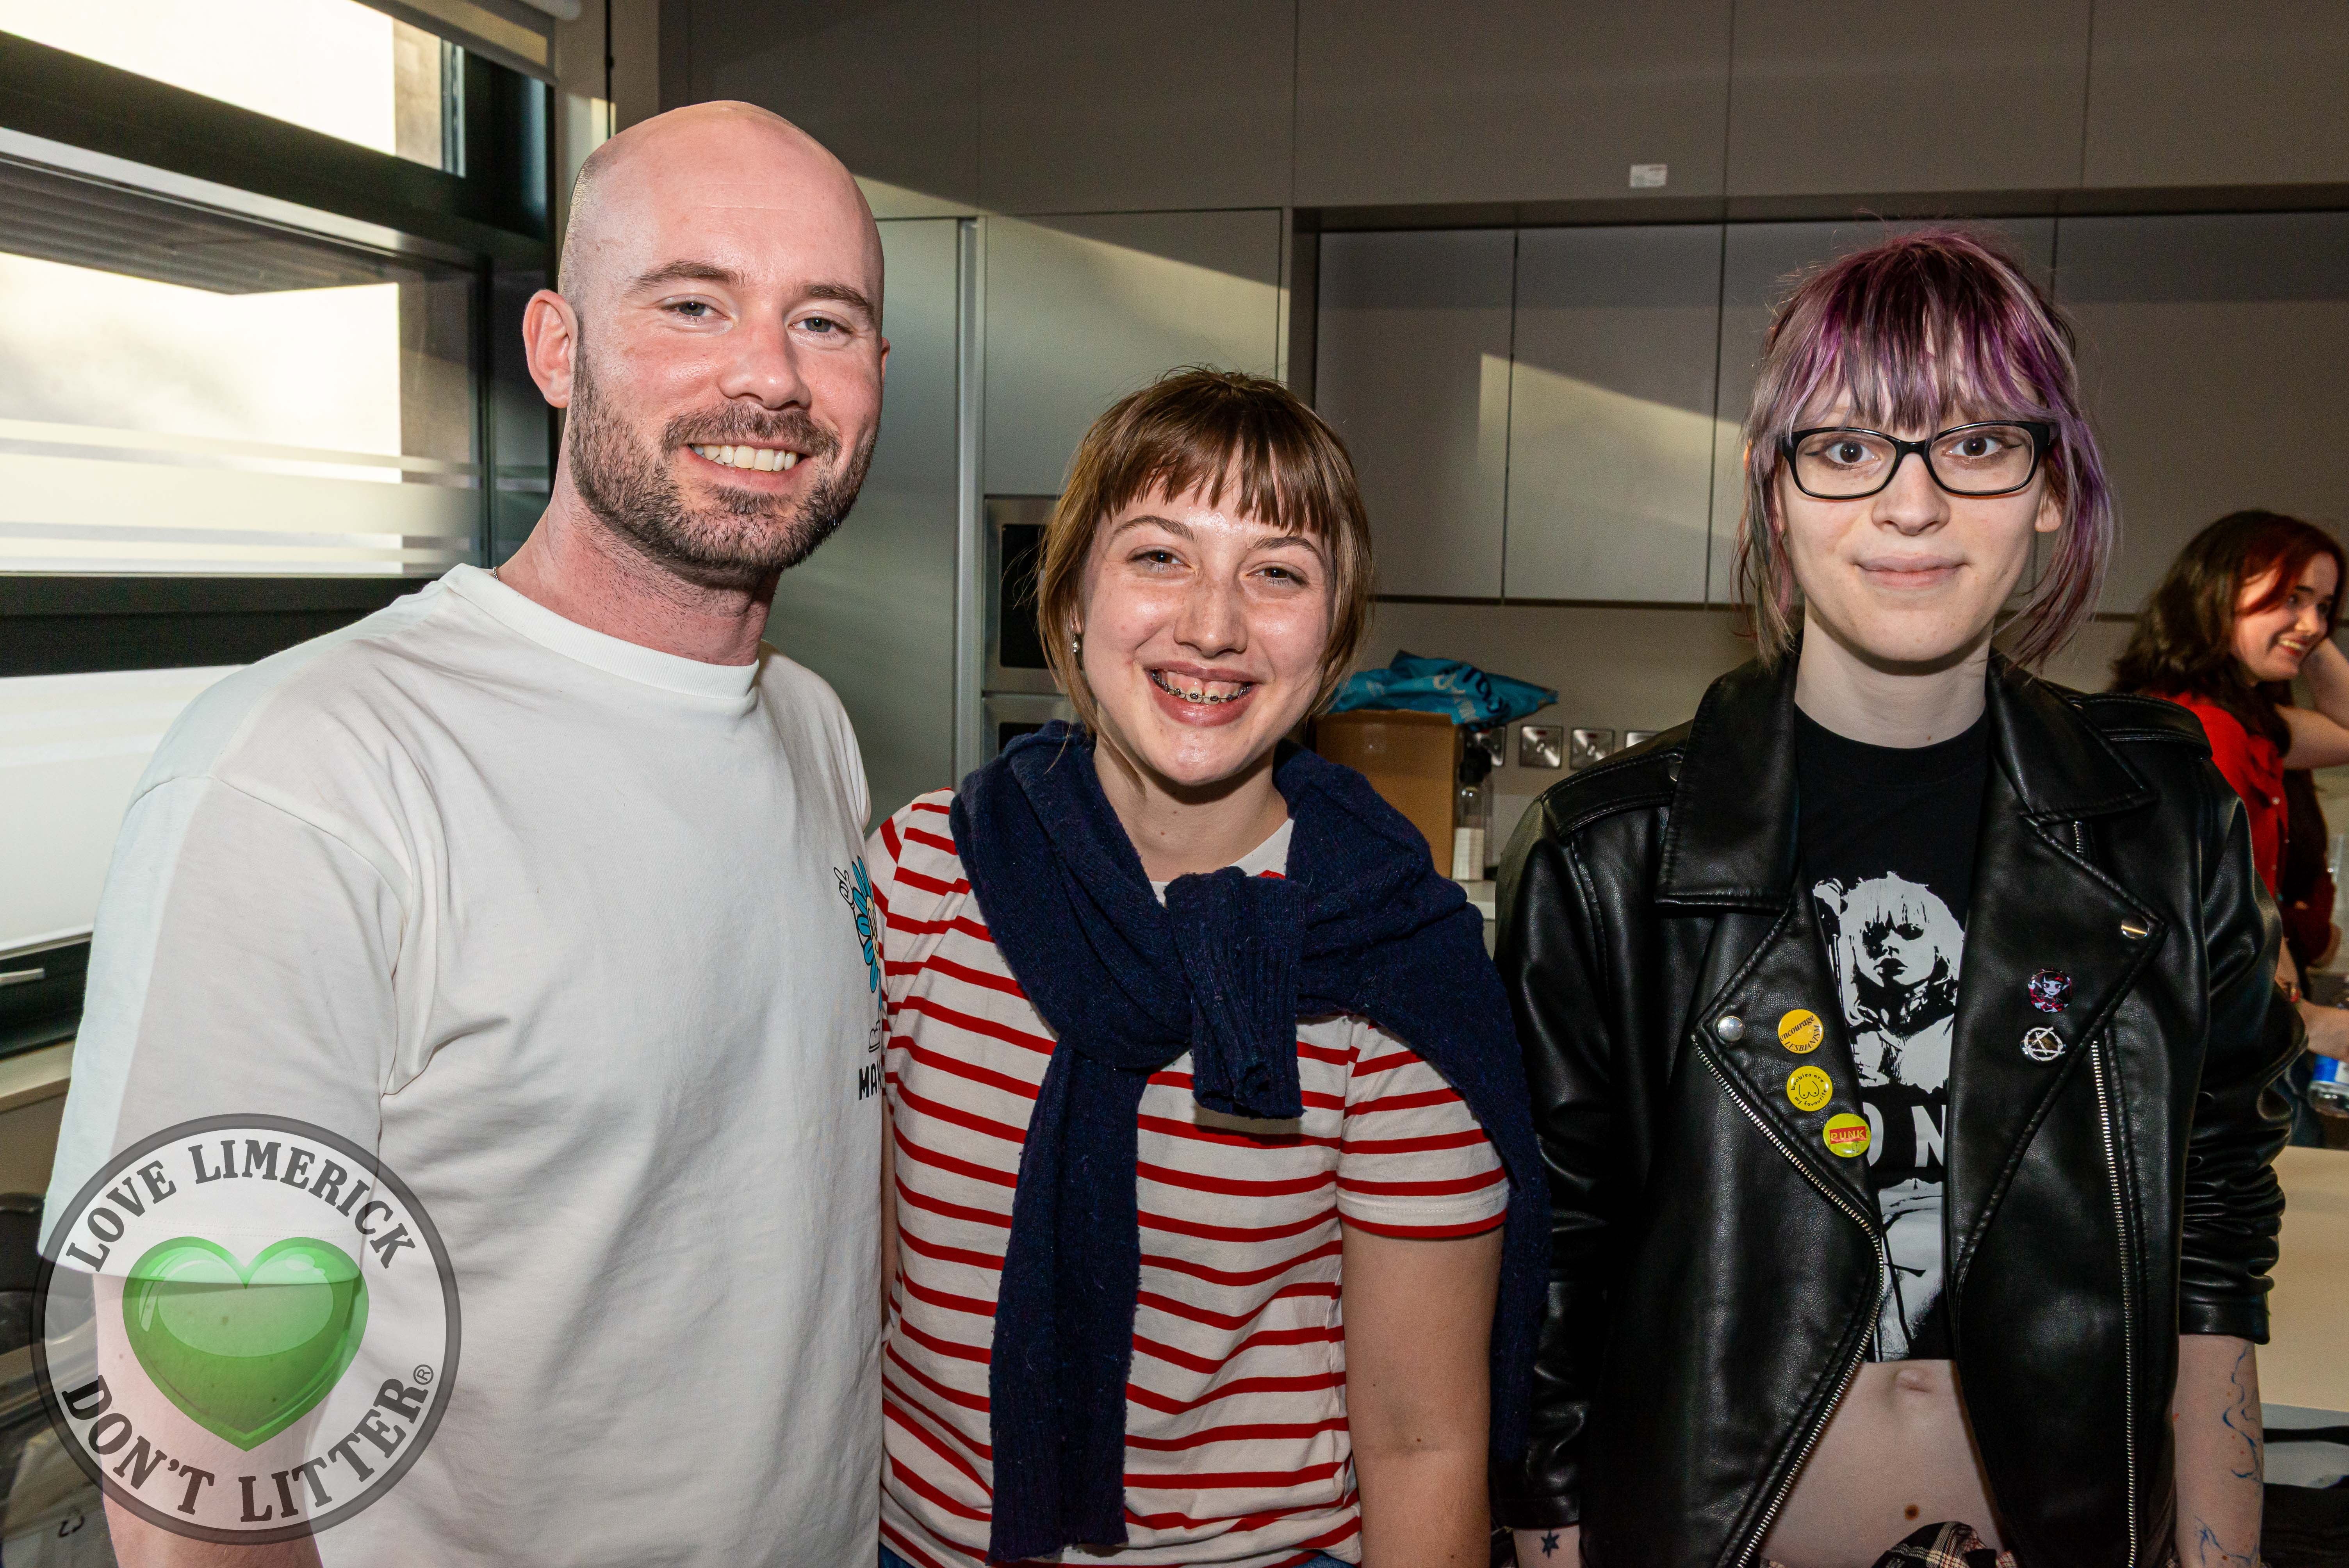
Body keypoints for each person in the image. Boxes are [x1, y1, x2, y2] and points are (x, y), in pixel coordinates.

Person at [42, 103, 889, 1565]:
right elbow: (187, 1426)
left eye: (825, 321)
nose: (769, 375)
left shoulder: (812, 727)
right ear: (557, 348)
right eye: (694, 304)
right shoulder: (311, 769)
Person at [1495, 232, 2293, 1568]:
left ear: (2050, 486)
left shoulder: (2164, 821)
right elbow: (1550, 1293)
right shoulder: (1608, 852)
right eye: (1848, 446)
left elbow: (2213, 1228)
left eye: (1975, 443)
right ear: (1774, 489)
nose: (1911, 505)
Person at [867, 368, 1546, 1568]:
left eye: (1277, 573)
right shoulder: (926, 880)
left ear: (1333, 635)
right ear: (1072, 598)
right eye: (1159, 557)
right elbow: (854, 1291)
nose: (1213, 626)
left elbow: (1421, 1442)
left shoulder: (1394, 971)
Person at [2112, 510, 2349, 1134]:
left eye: (2326, 608)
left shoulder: (2233, 720)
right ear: (2216, 593)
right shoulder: (2205, 731)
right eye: (2291, 597)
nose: (2313, 623)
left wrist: (2300, 634)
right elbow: (2205, 914)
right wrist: (2309, 1021)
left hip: (2241, 1030)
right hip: (2227, 1044)